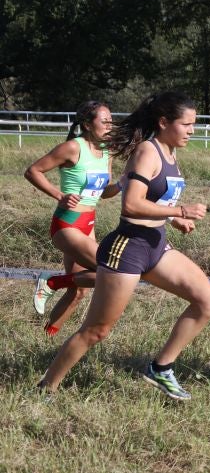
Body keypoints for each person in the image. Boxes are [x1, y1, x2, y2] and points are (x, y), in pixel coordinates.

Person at [38, 92, 210, 400]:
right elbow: (132, 206)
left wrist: (173, 220)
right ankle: (46, 388)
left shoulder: (170, 153)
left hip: (157, 245)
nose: (192, 130)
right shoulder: (147, 151)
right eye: (186, 124)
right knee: (96, 331)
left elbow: (154, 199)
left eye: (194, 124)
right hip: (129, 248)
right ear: (164, 122)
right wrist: (180, 211)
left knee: (208, 302)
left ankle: (161, 368)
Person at [25, 101, 119, 336]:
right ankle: (51, 282)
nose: (110, 125)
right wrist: (59, 195)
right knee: (111, 272)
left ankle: (48, 335)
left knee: (78, 290)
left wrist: (121, 184)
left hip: (88, 224)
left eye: (111, 120)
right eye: (104, 120)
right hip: (67, 224)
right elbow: (33, 171)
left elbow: (103, 193)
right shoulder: (72, 148)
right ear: (87, 124)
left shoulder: (107, 151)